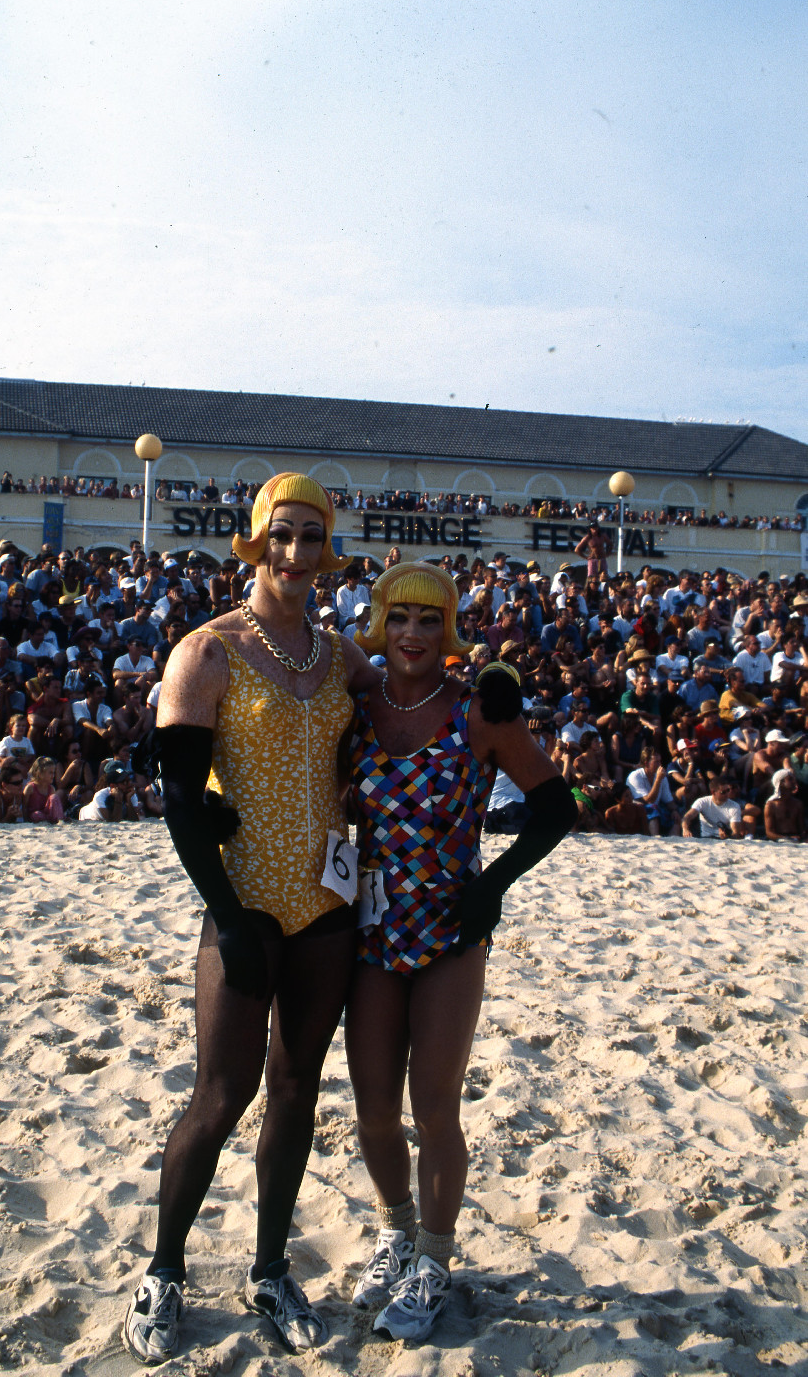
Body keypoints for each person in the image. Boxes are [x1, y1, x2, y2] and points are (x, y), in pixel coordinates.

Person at [123, 473, 378, 1363]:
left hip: (328, 903)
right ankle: (162, 1271)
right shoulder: (209, 651)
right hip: (244, 900)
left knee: (299, 1087)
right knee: (222, 1095)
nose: (299, 554)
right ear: (257, 540)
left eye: (314, 537)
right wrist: (224, 914)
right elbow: (182, 804)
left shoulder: (341, 655)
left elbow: (398, 727)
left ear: (329, 547)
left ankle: (270, 1269)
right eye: (284, 535)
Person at [344, 563, 575, 1341]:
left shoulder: (479, 715)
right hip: (371, 929)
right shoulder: (357, 706)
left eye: (428, 621)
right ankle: (395, 1232)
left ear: (448, 630)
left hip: (451, 928)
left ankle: (434, 1264)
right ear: (381, 624)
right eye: (399, 619)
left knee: (433, 1104)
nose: (412, 635)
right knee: (373, 1107)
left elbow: (555, 807)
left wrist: (497, 882)